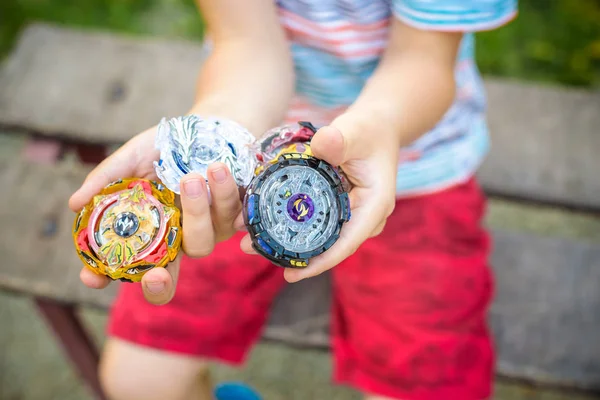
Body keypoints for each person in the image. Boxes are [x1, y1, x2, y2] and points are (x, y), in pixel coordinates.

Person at [69, 1, 518, 399]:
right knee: (139, 382)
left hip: (410, 170)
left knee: (428, 382)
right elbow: (246, 44)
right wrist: (212, 141)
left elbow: (422, 61)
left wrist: (377, 126)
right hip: (246, 166)